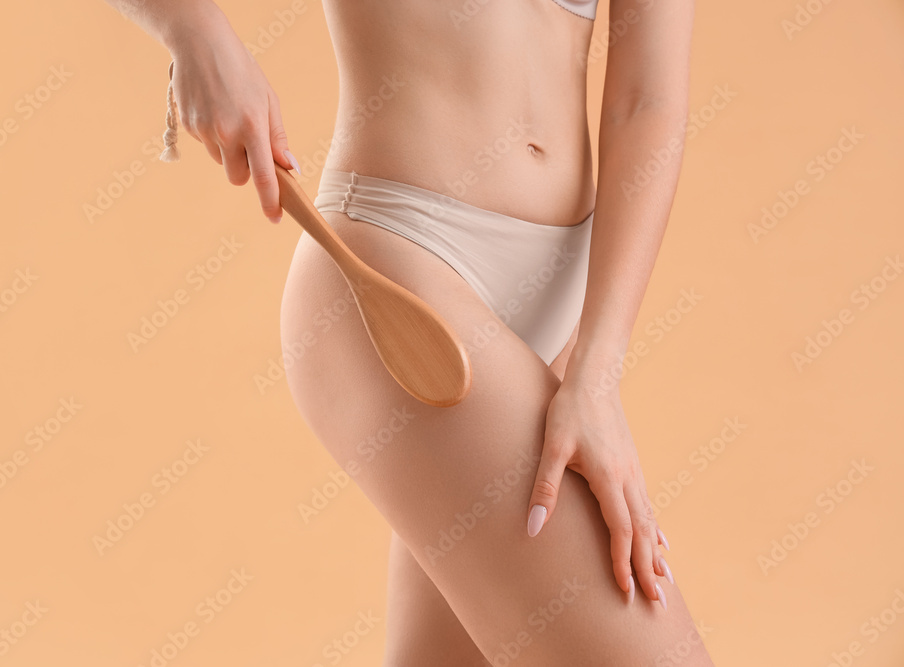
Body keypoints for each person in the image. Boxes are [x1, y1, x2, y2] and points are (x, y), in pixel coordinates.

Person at [108, 0, 714, 663]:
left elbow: (646, 101)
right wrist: (197, 36)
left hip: (566, 303)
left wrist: (597, 370)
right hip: (399, 264)